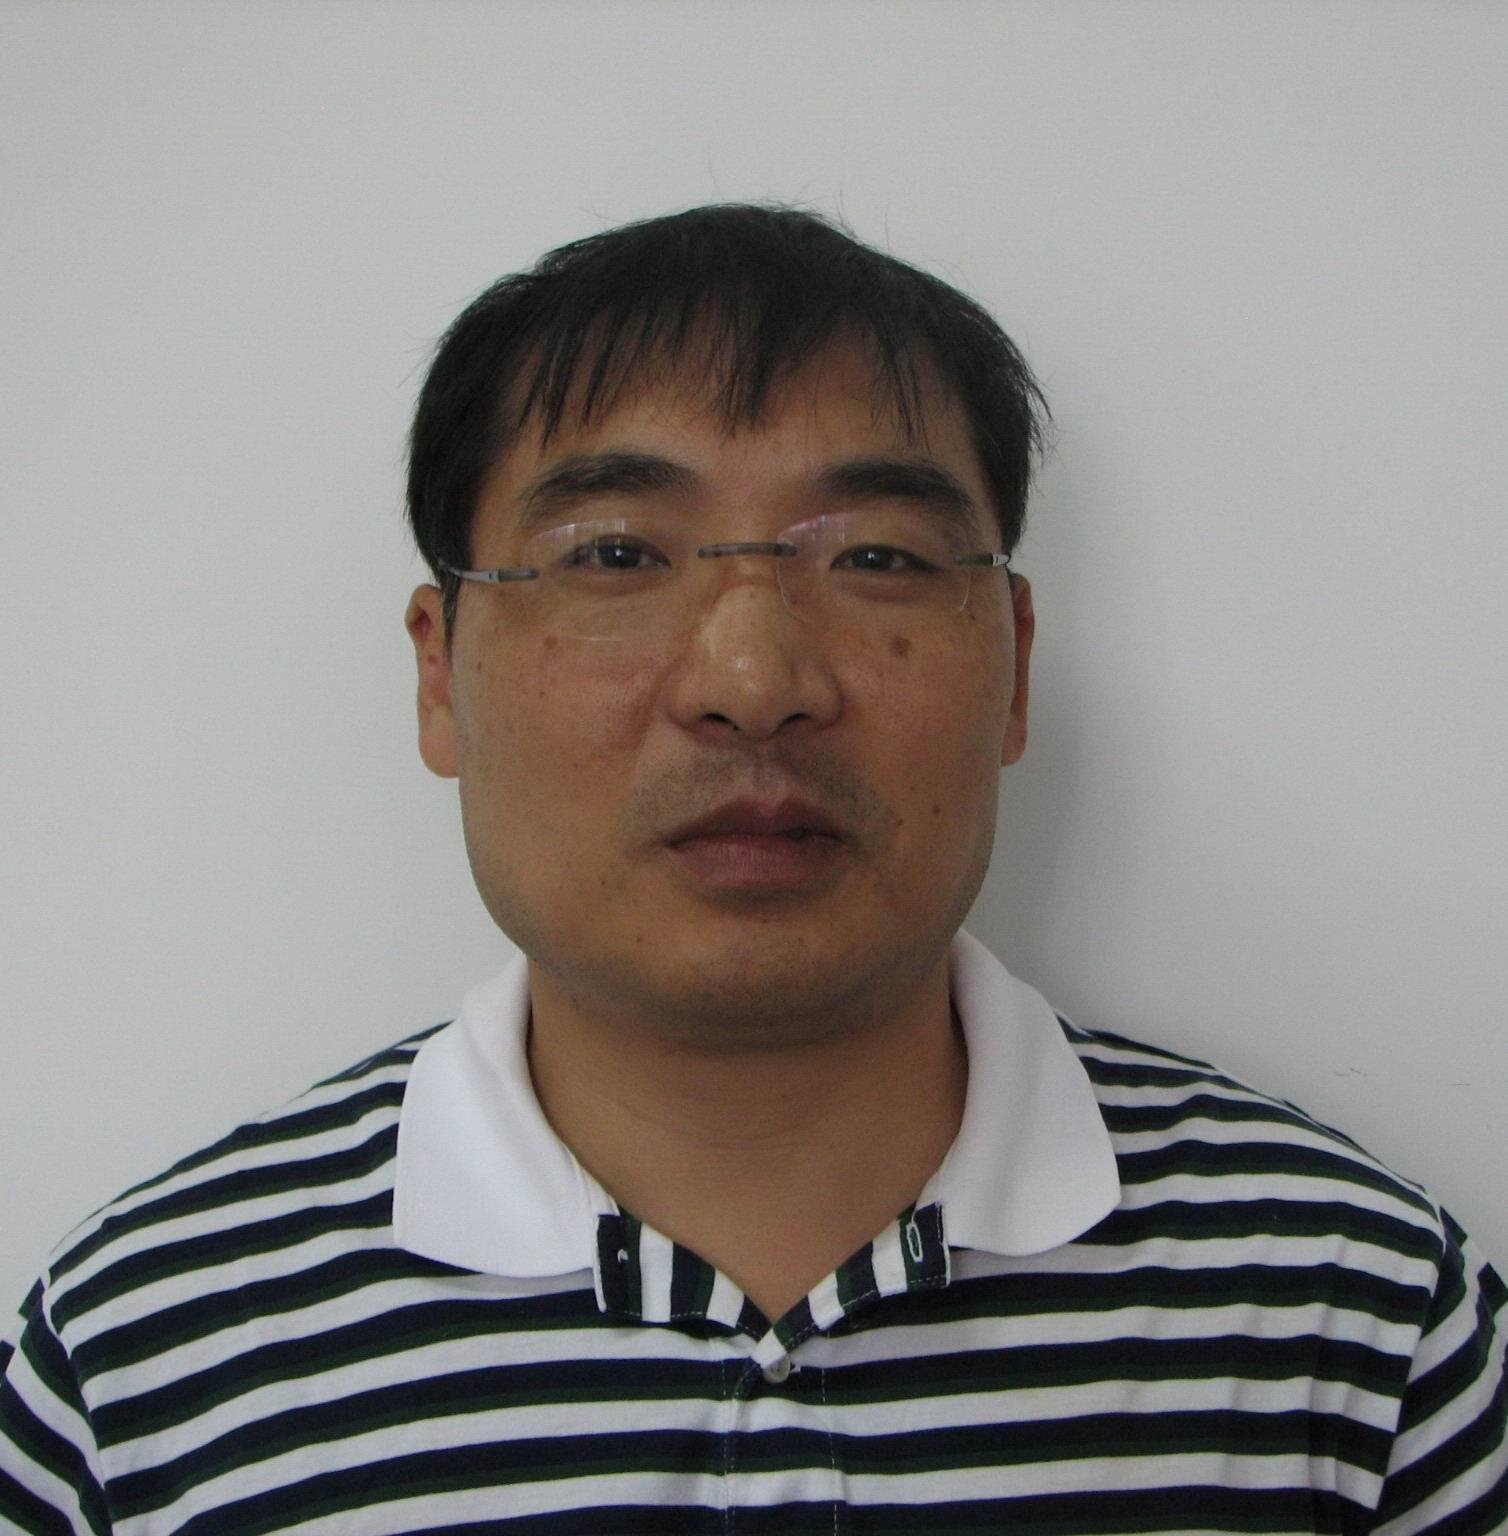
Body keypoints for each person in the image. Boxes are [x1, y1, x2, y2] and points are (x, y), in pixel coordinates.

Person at [1, 205, 1502, 1536]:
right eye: (615, 555)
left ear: (1015, 664)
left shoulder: (1358, 1321)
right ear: (440, 674)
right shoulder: (140, 1365)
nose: (753, 680)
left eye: (877, 557)